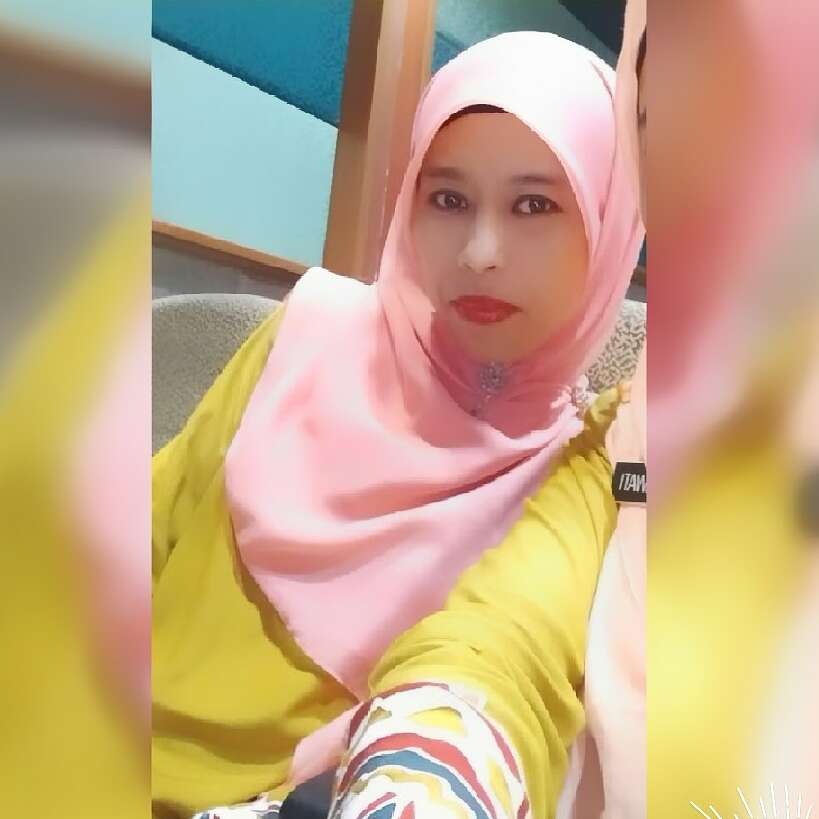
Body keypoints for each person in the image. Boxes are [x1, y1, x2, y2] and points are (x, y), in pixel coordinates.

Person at [152, 30, 642, 818]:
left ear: (610, 223)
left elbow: (501, 668)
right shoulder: (305, 335)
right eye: (447, 199)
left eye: (534, 204)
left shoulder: (581, 477)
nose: (480, 252)